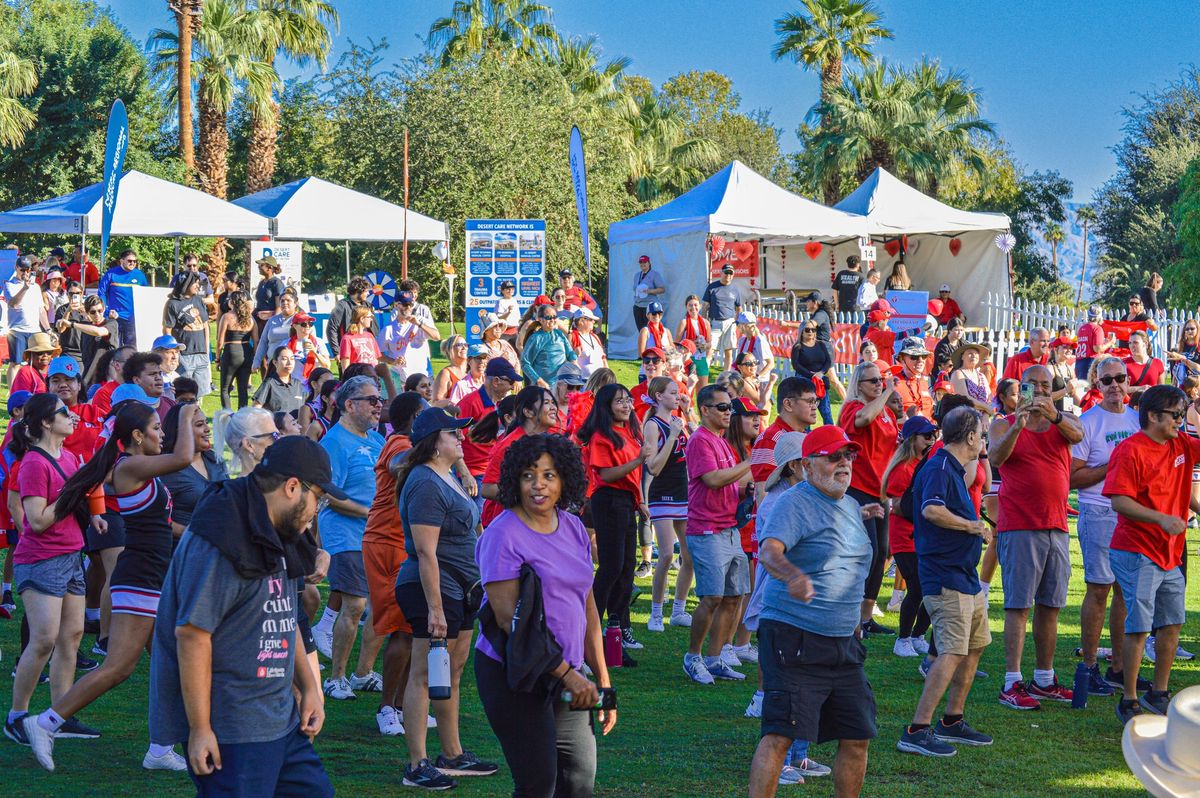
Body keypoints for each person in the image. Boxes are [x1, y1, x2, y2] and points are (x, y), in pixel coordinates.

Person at [146, 435, 337, 795]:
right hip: (233, 730)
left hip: (281, 720)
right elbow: (192, 634)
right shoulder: (221, 537)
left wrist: (310, 686)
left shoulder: (276, 526)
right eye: (319, 499)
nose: (316, 512)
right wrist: (200, 728)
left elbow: (283, 613)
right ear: (292, 487)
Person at [21, 401, 199, 772]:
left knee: (171, 663)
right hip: (140, 578)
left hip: (153, 575)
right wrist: (184, 410)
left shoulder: (134, 468)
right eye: (156, 427)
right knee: (119, 666)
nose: (161, 434)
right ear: (137, 436)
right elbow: (183, 456)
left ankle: (161, 748)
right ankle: (45, 722)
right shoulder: (131, 466)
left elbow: (159, 524)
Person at [475, 433, 616, 796]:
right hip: (515, 674)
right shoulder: (502, 534)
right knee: (539, 784)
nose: (538, 485)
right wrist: (570, 677)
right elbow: (510, 624)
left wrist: (602, 679)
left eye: (549, 475)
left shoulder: (572, 527)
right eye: (528, 474)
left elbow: (587, 607)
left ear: (565, 479)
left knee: (579, 779)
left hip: (569, 674)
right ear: (514, 480)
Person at [748, 425, 876, 798]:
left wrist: (853, 619)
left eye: (848, 456)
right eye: (833, 456)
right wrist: (792, 576)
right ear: (807, 465)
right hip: (794, 636)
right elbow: (770, 551)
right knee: (780, 735)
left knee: (857, 735)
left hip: (842, 641)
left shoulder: (849, 505)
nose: (843, 464)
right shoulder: (793, 503)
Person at [393, 407, 498, 789]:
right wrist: (435, 607)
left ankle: (451, 755)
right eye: (453, 433)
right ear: (434, 442)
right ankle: (416, 764)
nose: (460, 437)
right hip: (432, 590)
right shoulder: (423, 482)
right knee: (424, 675)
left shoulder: (448, 474)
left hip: (460, 589)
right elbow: (425, 552)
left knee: (451, 671)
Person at [897, 407, 994, 757]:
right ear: (969, 437)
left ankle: (952, 720)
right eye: (982, 433)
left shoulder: (951, 466)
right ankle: (916, 730)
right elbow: (930, 511)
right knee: (951, 650)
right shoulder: (939, 466)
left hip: (964, 575)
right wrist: (973, 527)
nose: (984, 439)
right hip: (945, 575)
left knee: (976, 644)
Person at [4, 395, 100, 750]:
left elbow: (79, 500)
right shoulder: (33, 464)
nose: (72, 415)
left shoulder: (71, 457)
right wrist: (72, 493)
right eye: (63, 412)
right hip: (41, 560)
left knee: (71, 637)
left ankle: (59, 715)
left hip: (71, 556)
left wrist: (96, 514)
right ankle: (16, 717)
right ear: (46, 422)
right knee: (44, 638)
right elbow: (39, 520)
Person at [988, 364, 1084, 710]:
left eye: (1046, 385)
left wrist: (1055, 416)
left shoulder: (1063, 421)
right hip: (1020, 524)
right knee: (1018, 606)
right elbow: (997, 457)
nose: (1040, 391)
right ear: (1021, 389)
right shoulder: (1003, 422)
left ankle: (1044, 678)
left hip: (1056, 525)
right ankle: (1011, 681)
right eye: (1032, 386)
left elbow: (1078, 435)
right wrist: (1018, 424)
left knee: (1051, 605)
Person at [1106, 385, 1200, 721]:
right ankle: (1128, 698)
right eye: (1176, 414)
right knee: (1140, 626)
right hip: (1137, 549)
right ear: (1153, 416)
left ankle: (1158, 693)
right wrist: (1161, 518)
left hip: (1169, 552)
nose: (1180, 420)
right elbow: (1119, 501)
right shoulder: (1130, 451)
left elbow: (1181, 487)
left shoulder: (1180, 444)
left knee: (1172, 623)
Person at [1070, 355, 1143, 700]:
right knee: (1099, 589)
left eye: (1120, 378)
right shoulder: (1088, 423)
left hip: (1131, 513)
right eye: (1107, 380)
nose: (1115, 385)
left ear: (1128, 382)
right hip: (1099, 511)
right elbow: (1073, 477)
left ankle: (1118, 667)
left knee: (1125, 592)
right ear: (1097, 386)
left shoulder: (1137, 420)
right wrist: (1112, 467)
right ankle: (1089, 665)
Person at [315, 376, 387, 701]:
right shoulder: (334, 443)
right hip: (345, 534)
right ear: (349, 404)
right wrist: (370, 512)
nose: (378, 405)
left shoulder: (376, 441)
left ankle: (362, 674)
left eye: (379, 399)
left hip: (376, 534)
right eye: (371, 400)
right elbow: (331, 495)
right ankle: (336, 678)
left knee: (379, 606)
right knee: (355, 604)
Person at [682, 383, 752, 684]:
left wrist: (745, 487)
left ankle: (714, 658)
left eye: (730, 408)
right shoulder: (700, 440)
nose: (729, 412)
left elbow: (728, 482)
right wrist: (751, 463)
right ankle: (693, 657)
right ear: (705, 410)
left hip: (729, 528)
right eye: (722, 407)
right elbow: (712, 479)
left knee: (734, 597)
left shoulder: (721, 441)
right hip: (707, 529)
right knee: (712, 597)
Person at [362, 392, 424, 737]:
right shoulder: (399, 442)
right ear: (415, 419)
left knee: (415, 629)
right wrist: (430, 445)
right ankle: (387, 707)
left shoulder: (407, 442)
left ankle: (402, 706)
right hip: (387, 543)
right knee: (402, 628)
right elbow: (398, 464)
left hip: (407, 544)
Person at [578, 383, 652, 662]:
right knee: (611, 567)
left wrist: (641, 501)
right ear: (606, 406)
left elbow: (634, 475)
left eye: (628, 400)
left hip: (627, 502)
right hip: (608, 500)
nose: (626, 405)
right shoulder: (602, 435)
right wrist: (638, 461)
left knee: (626, 569)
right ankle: (590, 632)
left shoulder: (630, 431)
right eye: (619, 401)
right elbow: (607, 475)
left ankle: (615, 636)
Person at [840, 361, 900, 636]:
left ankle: (866, 617)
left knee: (882, 553)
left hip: (881, 490)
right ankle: (850, 614)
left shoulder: (885, 411)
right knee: (868, 551)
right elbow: (862, 420)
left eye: (880, 379)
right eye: (873, 381)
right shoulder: (853, 408)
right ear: (859, 384)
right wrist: (887, 392)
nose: (879, 383)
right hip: (859, 489)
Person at [880, 416, 938, 660]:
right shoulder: (903, 467)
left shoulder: (921, 464)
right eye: (926, 436)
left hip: (920, 537)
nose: (931, 440)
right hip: (905, 538)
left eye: (933, 435)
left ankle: (917, 636)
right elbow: (895, 504)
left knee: (929, 589)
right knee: (917, 588)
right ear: (912, 438)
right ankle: (903, 639)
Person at [643, 376, 696, 633]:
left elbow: (698, 441)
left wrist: (688, 413)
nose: (678, 396)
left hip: (683, 493)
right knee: (665, 554)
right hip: (662, 493)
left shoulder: (679, 421)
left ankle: (678, 610)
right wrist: (674, 435)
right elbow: (652, 466)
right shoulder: (653, 425)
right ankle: (656, 612)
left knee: (690, 556)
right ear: (659, 396)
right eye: (673, 393)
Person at [457, 356, 522, 506]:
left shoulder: (500, 404)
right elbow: (453, 439)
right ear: (496, 381)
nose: (513, 387)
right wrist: (465, 475)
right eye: (510, 382)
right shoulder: (470, 403)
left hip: (493, 472)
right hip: (475, 476)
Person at [159, 403, 228, 537]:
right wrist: (194, 535)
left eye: (206, 423)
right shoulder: (167, 469)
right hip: (184, 549)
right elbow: (156, 519)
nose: (207, 429)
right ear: (181, 430)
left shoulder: (214, 459)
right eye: (199, 425)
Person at [379, 291, 440, 397]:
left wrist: (419, 324)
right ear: (397, 305)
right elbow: (378, 354)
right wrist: (393, 361)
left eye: (410, 304)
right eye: (404, 304)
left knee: (426, 407)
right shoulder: (389, 329)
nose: (408, 308)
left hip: (423, 376)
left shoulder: (421, 321)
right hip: (400, 378)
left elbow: (436, 337)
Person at [162, 270, 212, 397]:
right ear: (186, 284)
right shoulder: (173, 303)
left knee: (200, 393)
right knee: (184, 392)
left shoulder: (199, 300)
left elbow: (205, 326)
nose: (198, 286)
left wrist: (206, 351)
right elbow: (167, 329)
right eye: (195, 283)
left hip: (201, 353)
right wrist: (173, 353)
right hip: (184, 354)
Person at [5, 256, 49, 386]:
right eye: (22, 270)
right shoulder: (9, 284)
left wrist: (47, 329)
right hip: (17, 330)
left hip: (34, 330)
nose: (25, 273)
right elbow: (13, 303)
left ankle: (34, 387)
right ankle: (13, 392)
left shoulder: (35, 287)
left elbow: (41, 310)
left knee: (36, 362)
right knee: (16, 363)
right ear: (16, 268)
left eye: (28, 270)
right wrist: (24, 288)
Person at [215, 289, 257, 410]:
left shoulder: (227, 317)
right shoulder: (250, 319)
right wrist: (255, 358)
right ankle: (242, 416)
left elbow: (219, 341)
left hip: (231, 351)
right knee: (243, 389)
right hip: (246, 352)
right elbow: (256, 341)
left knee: (225, 388)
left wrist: (218, 359)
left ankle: (227, 414)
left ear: (232, 302)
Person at [97, 250, 148, 347]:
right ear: (122, 261)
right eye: (129, 261)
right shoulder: (111, 274)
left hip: (133, 318)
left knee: (131, 348)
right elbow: (101, 293)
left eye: (135, 261)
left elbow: (145, 295)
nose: (132, 263)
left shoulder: (140, 275)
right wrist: (106, 310)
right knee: (115, 346)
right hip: (115, 316)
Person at [521, 303, 576, 389]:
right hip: (543, 387)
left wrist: (575, 366)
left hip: (561, 385)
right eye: (548, 318)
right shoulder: (536, 338)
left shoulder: (559, 334)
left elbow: (570, 353)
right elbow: (525, 363)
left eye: (554, 317)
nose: (552, 320)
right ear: (540, 319)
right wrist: (539, 381)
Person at [791, 323, 835, 424]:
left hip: (820, 383)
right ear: (801, 332)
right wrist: (812, 375)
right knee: (806, 412)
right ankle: (806, 436)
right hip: (805, 383)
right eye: (807, 330)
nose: (810, 332)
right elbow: (796, 365)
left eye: (813, 330)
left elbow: (828, 361)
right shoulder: (797, 347)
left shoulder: (821, 344)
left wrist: (821, 373)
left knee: (826, 412)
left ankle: (831, 435)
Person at [702, 264, 742, 369]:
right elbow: (705, 306)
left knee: (728, 351)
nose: (728, 275)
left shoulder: (735, 289)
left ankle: (726, 377)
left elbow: (739, 308)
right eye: (726, 272)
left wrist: (737, 322)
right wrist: (704, 322)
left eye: (731, 273)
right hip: (715, 322)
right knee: (710, 350)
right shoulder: (712, 287)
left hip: (730, 323)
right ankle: (704, 375)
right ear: (721, 273)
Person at [251, 289, 299, 374]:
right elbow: (263, 342)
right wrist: (256, 361)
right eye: (282, 301)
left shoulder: (301, 321)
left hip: (293, 367)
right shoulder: (272, 320)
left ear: (296, 303)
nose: (285, 303)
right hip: (273, 365)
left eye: (288, 300)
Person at [735, 312, 777, 404]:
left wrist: (757, 377)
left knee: (762, 414)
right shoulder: (743, 340)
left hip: (761, 383)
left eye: (738, 324)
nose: (737, 327)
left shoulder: (760, 341)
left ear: (746, 326)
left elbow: (771, 364)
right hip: (747, 381)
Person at [253, 346, 307, 415]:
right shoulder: (269, 383)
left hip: (296, 425)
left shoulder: (298, 384)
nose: (289, 363)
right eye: (284, 359)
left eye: (292, 359)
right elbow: (255, 411)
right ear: (275, 362)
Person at [894, 338, 935, 420]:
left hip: (931, 430)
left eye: (923, 356)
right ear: (902, 359)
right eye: (914, 356)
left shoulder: (924, 381)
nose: (920, 361)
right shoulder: (893, 383)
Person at [950, 342, 994, 415]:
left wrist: (985, 416)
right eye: (970, 353)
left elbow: (990, 398)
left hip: (984, 419)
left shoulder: (981, 376)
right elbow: (965, 399)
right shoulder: (958, 374)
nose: (974, 355)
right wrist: (986, 408)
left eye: (976, 353)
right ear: (962, 357)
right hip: (965, 418)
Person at [286, 312, 332, 381]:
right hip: (294, 384)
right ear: (295, 326)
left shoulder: (319, 342)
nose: (307, 326)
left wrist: (314, 351)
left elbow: (327, 365)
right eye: (303, 324)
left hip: (314, 384)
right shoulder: (286, 344)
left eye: (310, 324)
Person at [1076, 306, 1116, 380]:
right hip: (1090, 362)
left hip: (1079, 361)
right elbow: (1097, 348)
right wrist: (1110, 343)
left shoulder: (1082, 328)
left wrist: (1104, 343)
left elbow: (1088, 343)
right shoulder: (1097, 328)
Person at [338, 305, 382, 372]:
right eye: (369, 317)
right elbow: (345, 366)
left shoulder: (370, 336)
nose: (371, 319)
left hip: (371, 377)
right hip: (357, 378)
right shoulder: (347, 338)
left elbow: (376, 359)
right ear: (362, 319)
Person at [251, 255, 287, 334]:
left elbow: (279, 307)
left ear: (269, 268)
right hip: (259, 320)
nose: (259, 267)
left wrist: (273, 323)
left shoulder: (276, 283)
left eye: (261, 265)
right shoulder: (261, 282)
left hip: (269, 322)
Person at [569, 306, 607, 378]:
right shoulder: (573, 336)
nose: (593, 322)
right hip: (583, 383)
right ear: (581, 321)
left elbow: (603, 357)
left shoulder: (595, 337)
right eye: (591, 319)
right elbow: (571, 361)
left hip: (600, 380)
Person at [633, 254, 666, 331]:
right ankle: (643, 343)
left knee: (652, 330)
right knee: (641, 331)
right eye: (641, 262)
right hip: (637, 306)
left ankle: (653, 343)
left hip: (650, 307)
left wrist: (650, 291)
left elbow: (662, 289)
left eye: (644, 262)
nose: (642, 264)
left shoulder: (655, 274)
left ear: (649, 263)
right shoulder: (637, 275)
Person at [433, 335, 469, 401]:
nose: (464, 347)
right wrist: (459, 402)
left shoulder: (471, 372)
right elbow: (437, 402)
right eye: (459, 345)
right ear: (450, 349)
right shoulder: (446, 373)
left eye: (466, 344)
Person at [1168, 318, 1200, 385]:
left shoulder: (1198, 346)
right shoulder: (1181, 347)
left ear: (1197, 330)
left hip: (1196, 385)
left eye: (1192, 328)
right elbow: (1176, 370)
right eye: (1187, 329)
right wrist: (1173, 385)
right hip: (1182, 384)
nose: (1189, 331)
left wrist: (1185, 360)